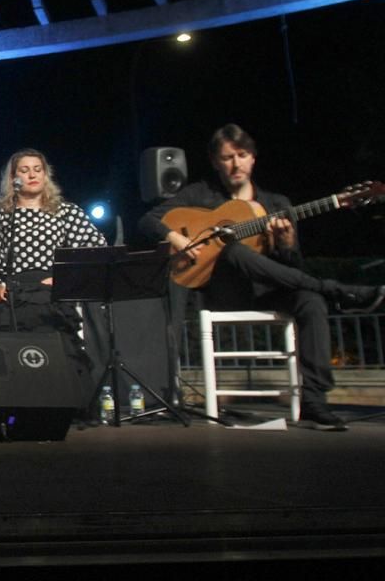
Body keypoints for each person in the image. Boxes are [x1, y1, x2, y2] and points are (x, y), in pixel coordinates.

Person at [139, 123, 385, 430]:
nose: (236, 164)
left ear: (253, 158)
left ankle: (314, 401)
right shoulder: (199, 194)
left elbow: (293, 268)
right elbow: (149, 220)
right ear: (216, 162)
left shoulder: (277, 204)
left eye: (242, 155)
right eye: (227, 157)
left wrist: (286, 243)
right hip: (223, 293)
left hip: (266, 290)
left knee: (310, 301)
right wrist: (179, 240)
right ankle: (336, 290)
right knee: (233, 251)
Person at [0, 149, 106, 333]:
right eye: (24, 171)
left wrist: (64, 277)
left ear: (45, 174)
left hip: (52, 291)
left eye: (37, 169)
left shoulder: (65, 211)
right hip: (11, 293)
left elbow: (94, 249)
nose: (32, 175)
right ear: (13, 178)